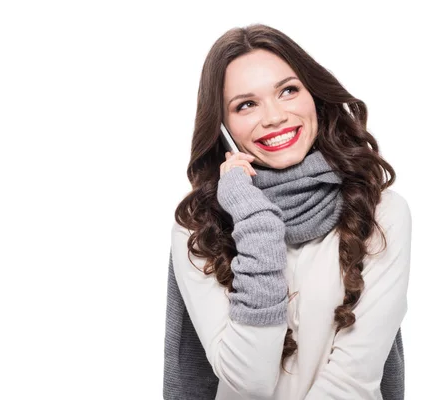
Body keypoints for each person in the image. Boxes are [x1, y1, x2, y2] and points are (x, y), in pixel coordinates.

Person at [164, 23, 412, 400]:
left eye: (288, 91)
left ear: (314, 96)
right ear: (223, 126)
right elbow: (248, 381)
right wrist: (256, 225)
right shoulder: (198, 228)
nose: (275, 116)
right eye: (246, 104)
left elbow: (353, 380)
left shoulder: (382, 213)